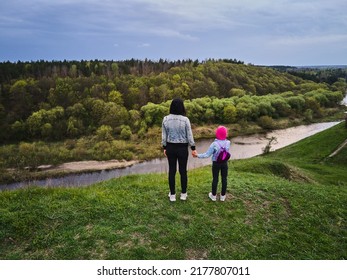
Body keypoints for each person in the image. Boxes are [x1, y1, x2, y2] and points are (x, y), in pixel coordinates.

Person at [162, 98, 197, 202]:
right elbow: (189, 135)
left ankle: (172, 195)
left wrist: (164, 147)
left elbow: (164, 136)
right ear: (182, 107)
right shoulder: (185, 120)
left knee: (172, 171)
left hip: (170, 147)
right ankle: (183, 194)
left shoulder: (165, 119)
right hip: (182, 148)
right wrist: (193, 148)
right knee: (183, 171)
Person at [193, 126, 230, 202]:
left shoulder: (214, 144)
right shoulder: (228, 143)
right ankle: (223, 196)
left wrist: (197, 155)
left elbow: (207, 154)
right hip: (224, 163)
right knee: (224, 179)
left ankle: (213, 196)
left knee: (215, 179)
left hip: (216, 163)